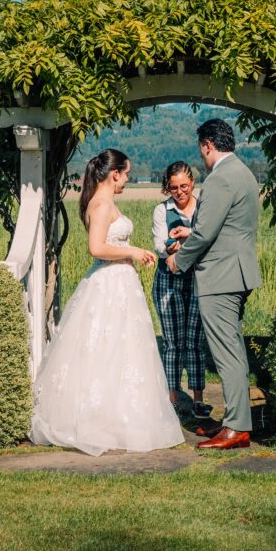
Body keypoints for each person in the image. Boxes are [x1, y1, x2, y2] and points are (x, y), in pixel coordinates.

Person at [30, 149, 184, 456]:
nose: (127, 179)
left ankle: (118, 415)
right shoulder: (101, 203)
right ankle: (102, 419)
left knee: (120, 350)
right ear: (114, 174)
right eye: (126, 173)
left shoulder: (104, 201)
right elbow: (96, 247)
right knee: (108, 347)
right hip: (110, 282)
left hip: (120, 283)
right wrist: (133, 252)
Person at [167, 120, 262, 450]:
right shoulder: (244, 173)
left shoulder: (221, 177)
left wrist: (179, 260)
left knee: (226, 353)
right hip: (237, 271)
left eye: (201, 149)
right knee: (232, 349)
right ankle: (235, 420)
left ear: (207, 145)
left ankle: (236, 428)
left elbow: (206, 232)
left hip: (221, 276)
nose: (202, 155)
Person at [151, 161, 212, 419]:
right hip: (169, 281)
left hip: (198, 279)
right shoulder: (161, 211)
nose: (179, 192)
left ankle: (198, 399)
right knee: (173, 343)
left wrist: (181, 240)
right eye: (174, 187)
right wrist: (188, 242)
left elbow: (207, 240)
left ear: (192, 184)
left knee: (195, 342)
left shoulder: (203, 207)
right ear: (168, 188)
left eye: (184, 186)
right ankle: (172, 399)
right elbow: (160, 246)